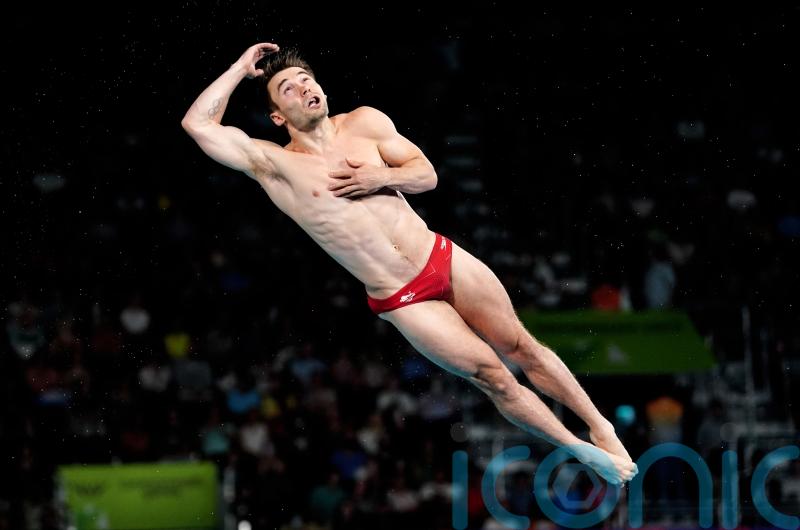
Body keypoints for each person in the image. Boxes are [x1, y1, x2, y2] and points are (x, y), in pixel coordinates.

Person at [181, 42, 638, 484]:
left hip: (439, 255)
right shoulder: (274, 163)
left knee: (522, 345)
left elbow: (427, 175)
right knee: (494, 377)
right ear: (278, 117)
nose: (304, 89)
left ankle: (601, 427)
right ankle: (578, 449)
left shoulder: (365, 122)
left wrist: (381, 176)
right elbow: (198, 125)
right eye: (289, 89)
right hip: (402, 296)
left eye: (307, 80)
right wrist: (242, 69)